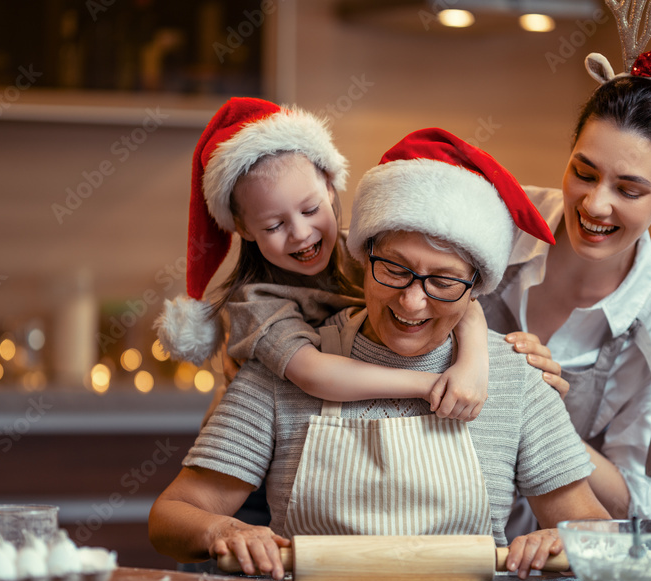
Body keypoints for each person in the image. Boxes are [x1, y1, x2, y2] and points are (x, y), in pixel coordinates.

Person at [149, 128, 611, 580]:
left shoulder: (511, 378)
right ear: (362, 258)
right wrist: (222, 530)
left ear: (476, 288)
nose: (412, 302)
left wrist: (562, 540)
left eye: (444, 281)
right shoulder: (280, 368)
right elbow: (171, 518)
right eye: (394, 269)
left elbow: (597, 529)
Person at [483, 8, 651, 528]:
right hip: (431, 529)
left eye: (628, 189)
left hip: (550, 561)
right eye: (583, 172)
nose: (595, 205)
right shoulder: (496, 224)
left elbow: (631, 503)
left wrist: (542, 408)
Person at [155, 97, 488, 421]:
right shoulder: (256, 303)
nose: (300, 233)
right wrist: (433, 385)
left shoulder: (368, 253)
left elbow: (457, 296)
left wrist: (472, 367)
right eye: (274, 225)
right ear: (244, 228)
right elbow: (314, 374)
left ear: (330, 187)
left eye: (310, 209)